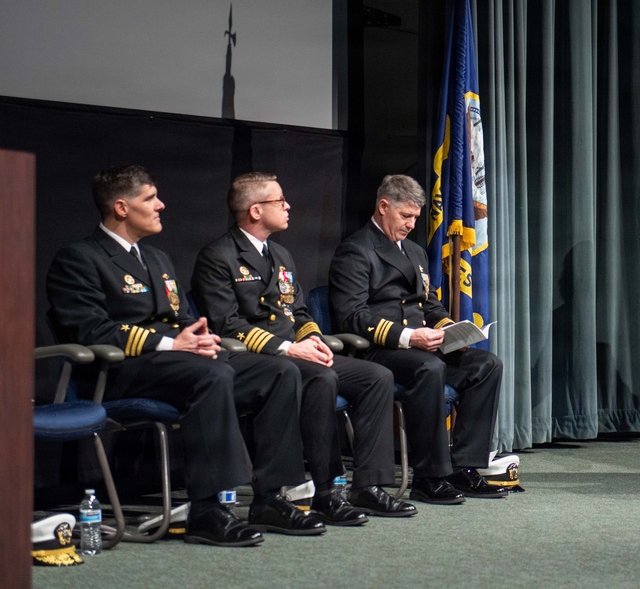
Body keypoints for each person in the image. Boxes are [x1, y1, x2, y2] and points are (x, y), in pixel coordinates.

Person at [46, 165, 326, 547]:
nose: (161, 205)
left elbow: (181, 320)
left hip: (176, 364)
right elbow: (91, 332)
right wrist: (173, 344)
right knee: (212, 375)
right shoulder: (79, 258)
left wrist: (199, 339)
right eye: (150, 198)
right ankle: (207, 510)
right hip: (118, 372)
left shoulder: (157, 259)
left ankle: (270, 498)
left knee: (276, 371)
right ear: (122, 208)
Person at [192, 172, 416, 521]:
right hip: (258, 359)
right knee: (319, 378)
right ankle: (325, 491)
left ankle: (368, 486)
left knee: (376, 376)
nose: (288, 206)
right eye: (279, 201)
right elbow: (227, 324)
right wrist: (288, 349)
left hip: (295, 353)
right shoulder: (218, 256)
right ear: (255, 211)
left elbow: (297, 311)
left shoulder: (280, 254)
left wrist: (312, 338)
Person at [328, 174, 507, 504]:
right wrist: (410, 337)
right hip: (378, 352)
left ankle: (463, 467)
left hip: (422, 346)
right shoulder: (355, 251)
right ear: (383, 207)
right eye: (405, 216)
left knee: (486, 365)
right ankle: (429, 475)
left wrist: (450, 329)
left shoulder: (413, 251)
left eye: (415, 217)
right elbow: (351, 316)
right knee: (428, 368)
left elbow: (428, 303)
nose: (412, 224)